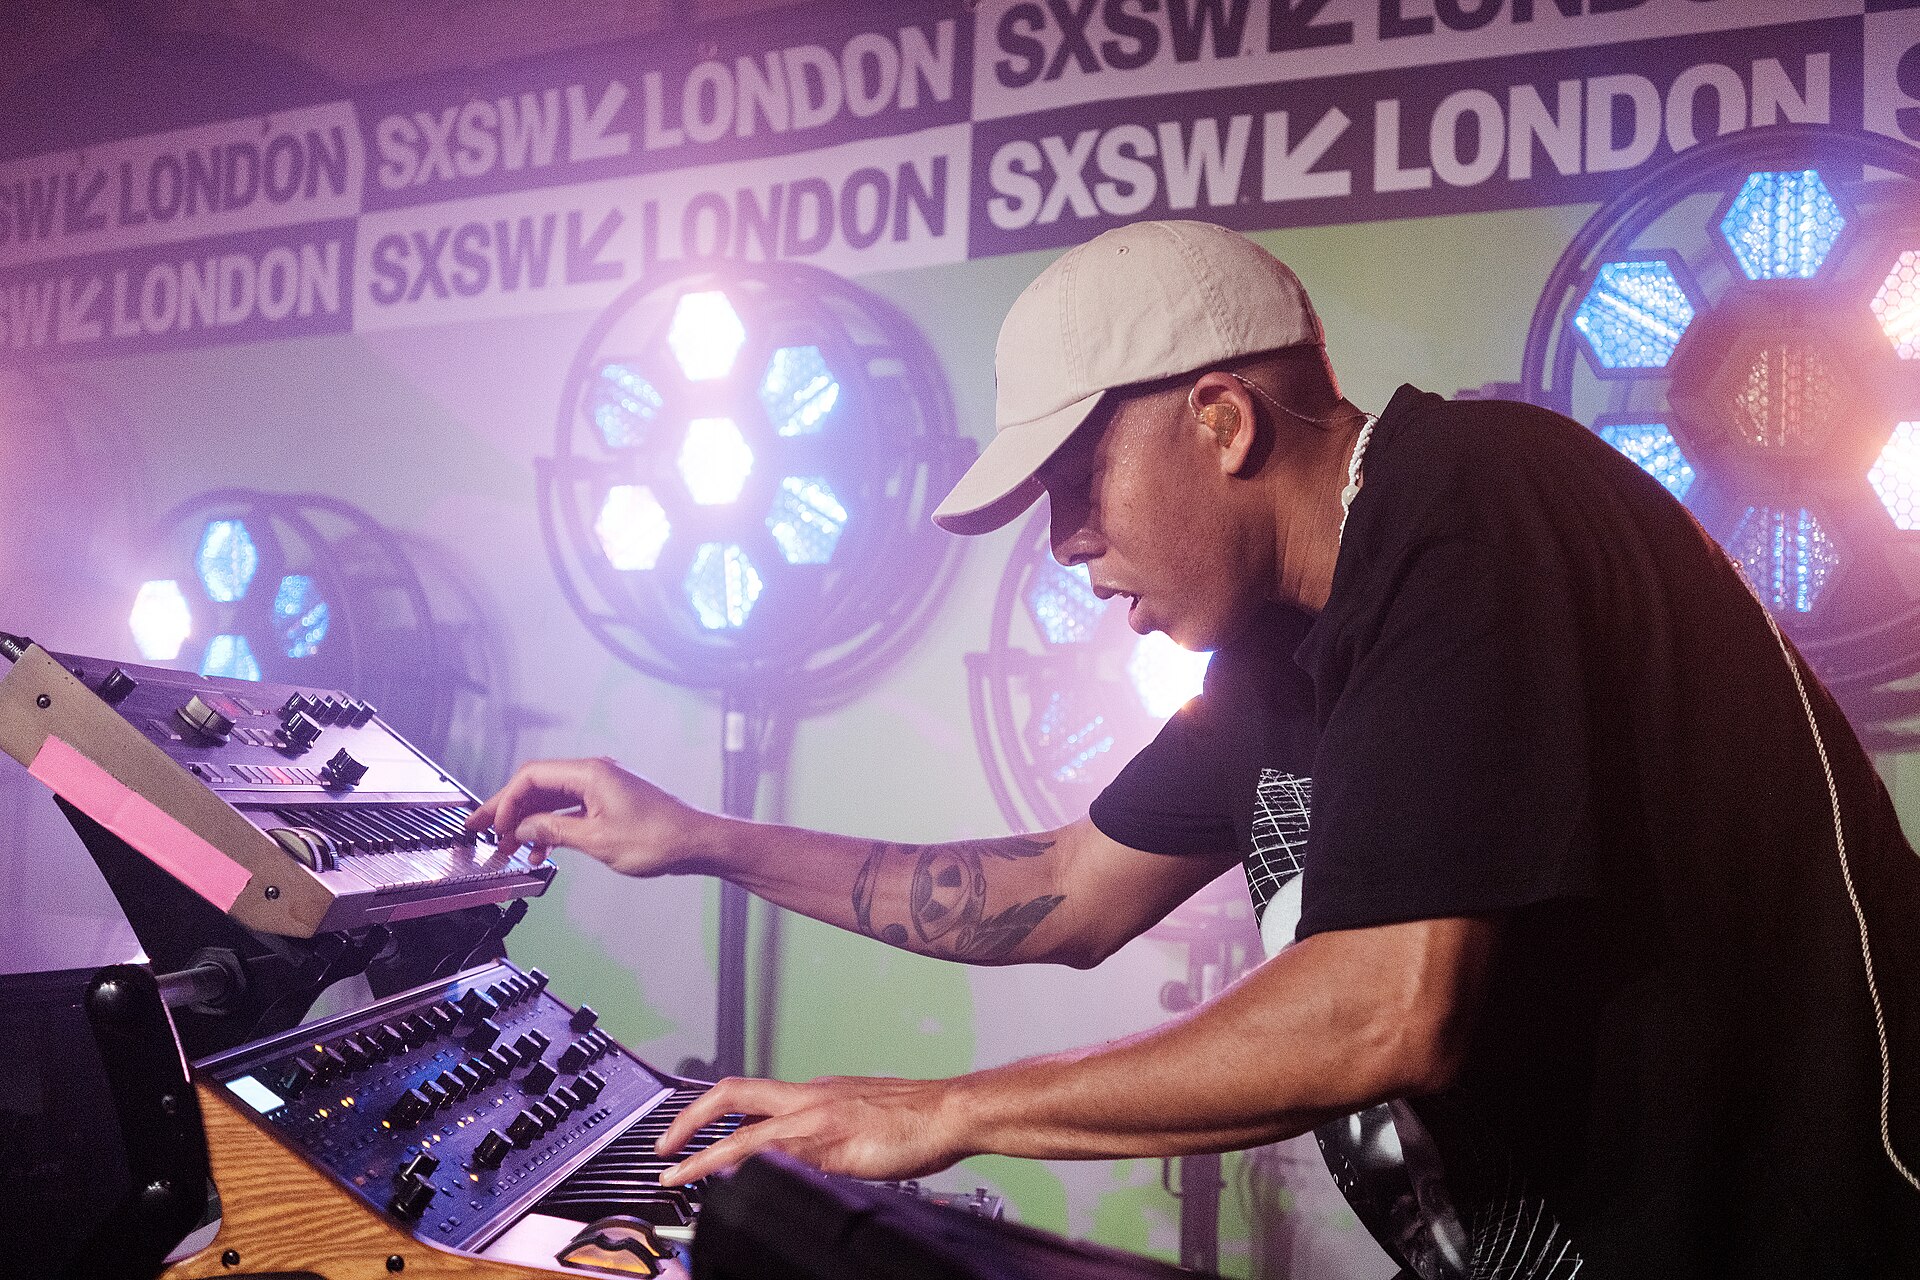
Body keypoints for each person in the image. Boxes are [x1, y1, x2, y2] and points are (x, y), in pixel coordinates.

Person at [472, 220, 1920, 1274]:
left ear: (1220, 420)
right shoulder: (1277, 655)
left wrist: (938, 1113)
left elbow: (1381, 1013)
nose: (1069, 545)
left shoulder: (1468, 503)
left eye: (1077, 482)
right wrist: (702, 838)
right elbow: (1065, 887)